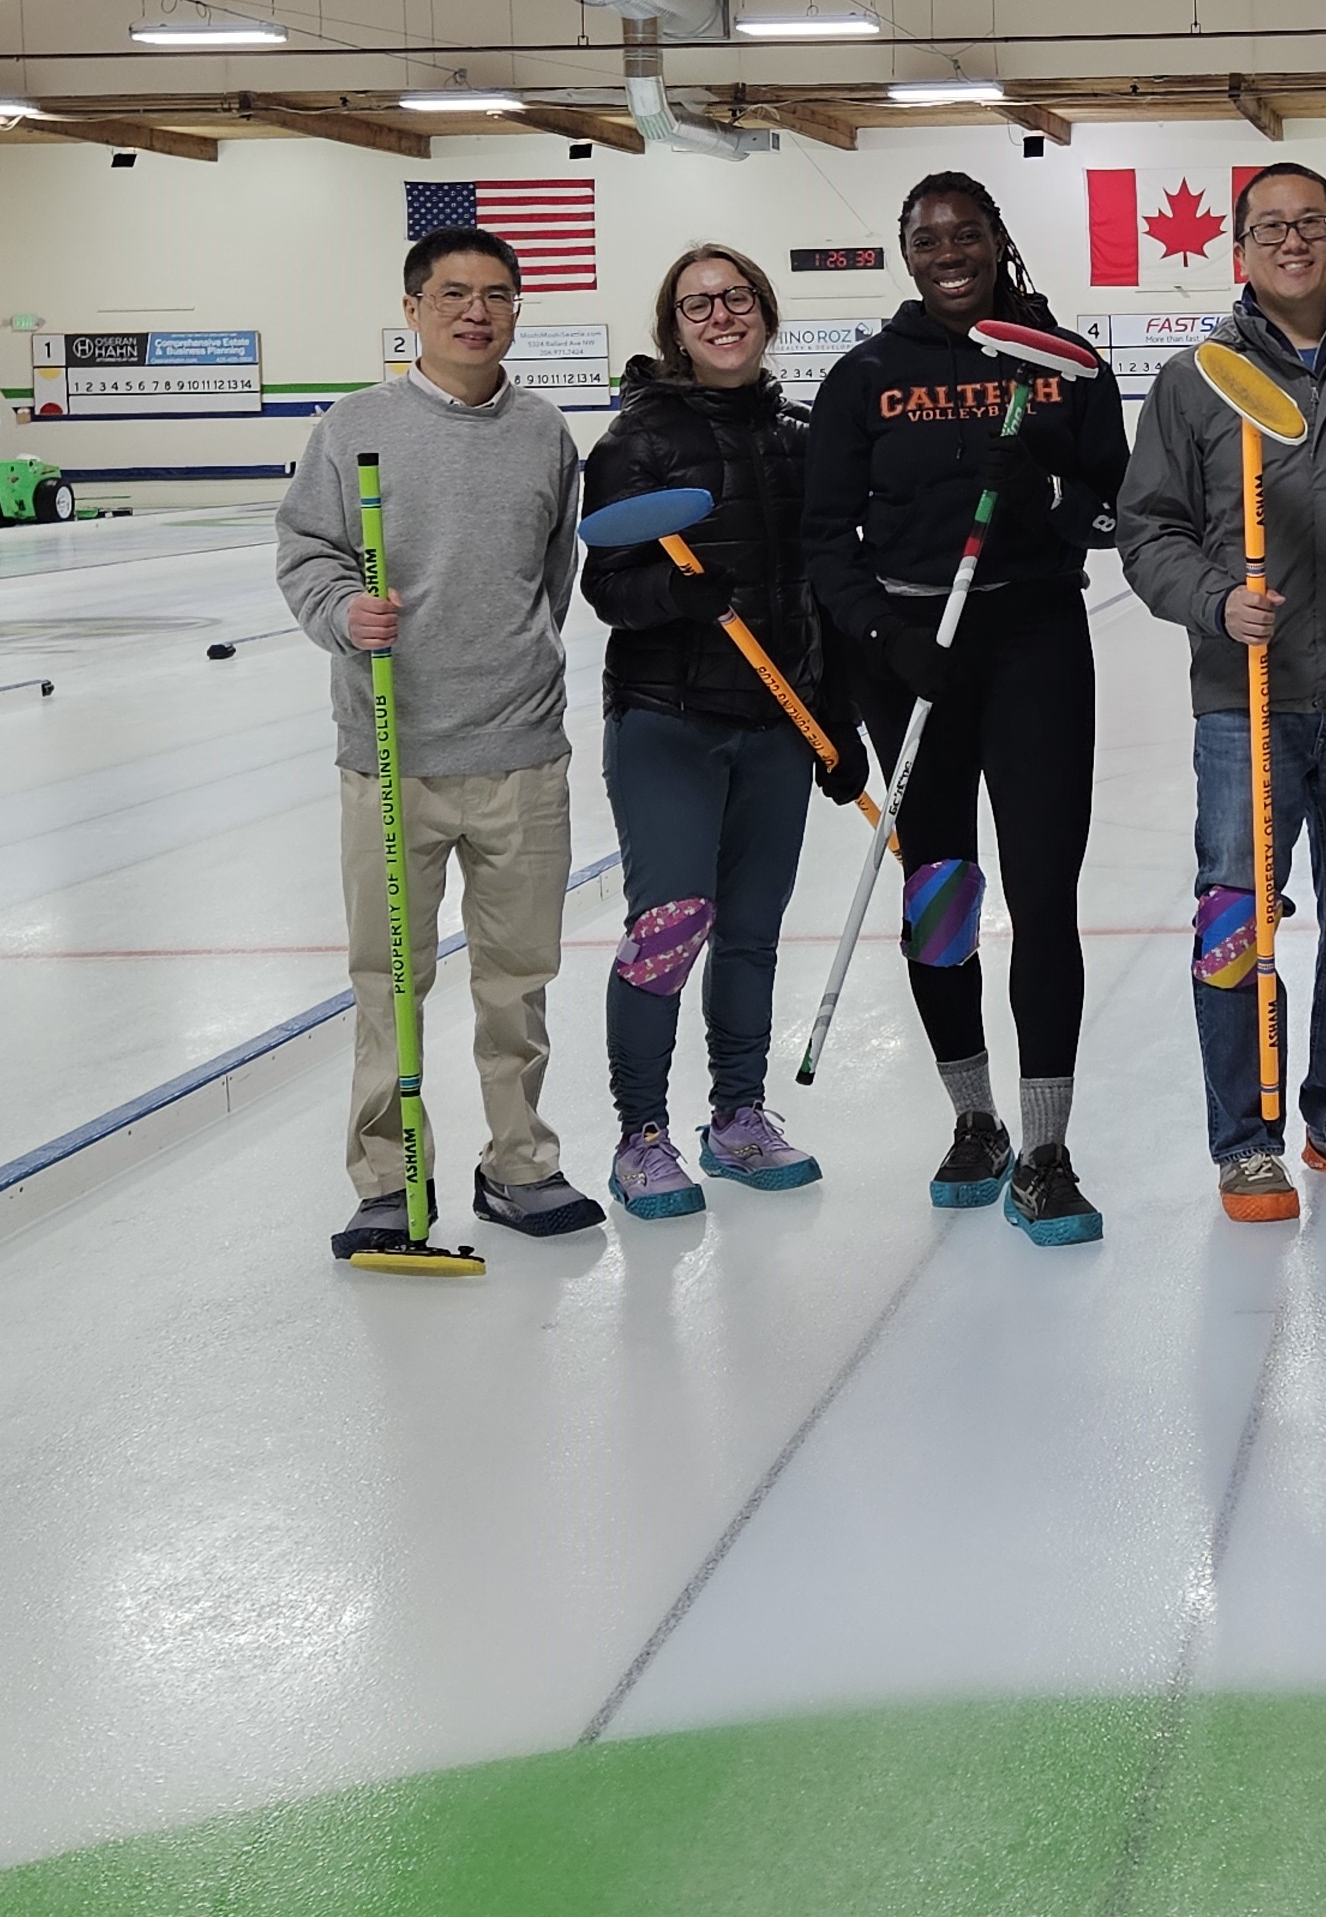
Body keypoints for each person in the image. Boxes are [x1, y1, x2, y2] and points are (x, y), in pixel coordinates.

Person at [1117, 162, 1326, 1221]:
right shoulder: (1197, 379)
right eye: (1270, 226)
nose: (1293, 240)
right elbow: (1147, 527)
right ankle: (1246, 1136)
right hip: (1245, 693)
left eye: (1313, 222)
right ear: (1240, 252)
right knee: (1236, 913)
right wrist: (1217, 603)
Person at [803, 170, 1129, 1242]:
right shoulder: (866, 376)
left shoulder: (1065, 364)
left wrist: (1041, 483)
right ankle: (975, 1119)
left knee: (1043, 894)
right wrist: (882, 637)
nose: (949, 250)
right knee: (939, 893)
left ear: (996, 240)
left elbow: (1112, 505)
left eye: (967, 232)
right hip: (910, 654)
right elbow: (825, 537)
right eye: (928, 235)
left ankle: (1046, 1146)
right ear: (906, 250)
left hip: (1033, 639)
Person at [280, 223, 601, 1257]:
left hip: (520, 751)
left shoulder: (546, 433)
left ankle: (519, 1164)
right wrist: (344, 614)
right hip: (391, 754)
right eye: (455, 293)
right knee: (390, 980)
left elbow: (549, 582)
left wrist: (510, 665)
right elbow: (308, 553)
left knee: (517, 979)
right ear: (413, 308)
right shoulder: (352, 429)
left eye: (499, 294)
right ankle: (387, 1179)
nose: (478, 311)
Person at [583, 245, 866, 1221]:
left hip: (778, 723)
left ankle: (738, 1118)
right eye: (698, 303)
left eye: (736, 298)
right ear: (674, 326)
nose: (720, 315)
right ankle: (642, 1135)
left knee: (750, 934)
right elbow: (606, 586)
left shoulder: (804, 433)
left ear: (764, 311)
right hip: (669, 718)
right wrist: (673, 589)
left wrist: (838, 714)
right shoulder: (636, 441)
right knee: (670, 926)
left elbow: (827, 584)